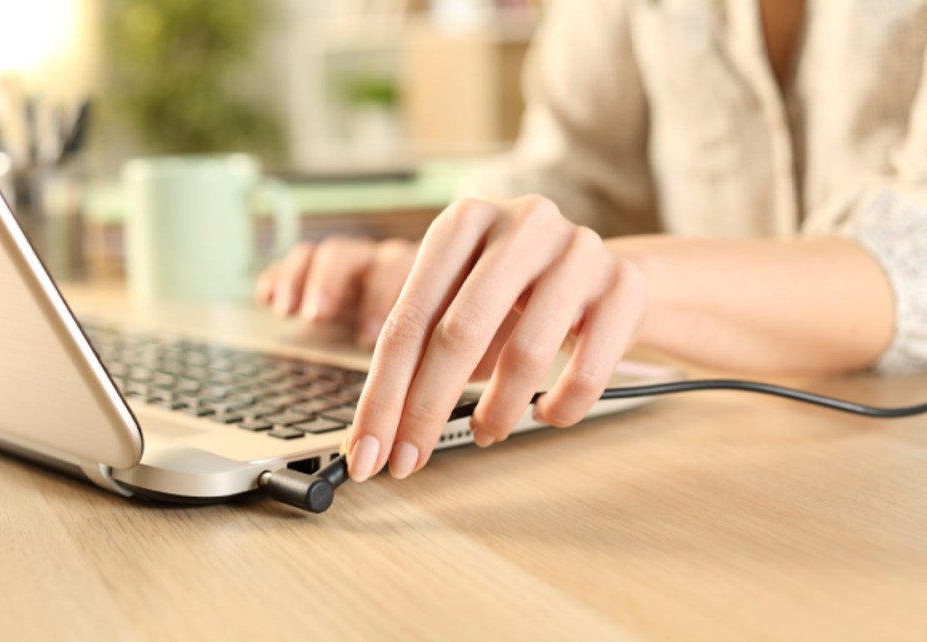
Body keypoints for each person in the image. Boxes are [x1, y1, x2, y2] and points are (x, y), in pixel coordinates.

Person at [256, 0, 927, 483]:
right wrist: (450, 265)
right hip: (707, 454)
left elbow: (914, 254)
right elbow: (571, 173)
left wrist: (630, 283)